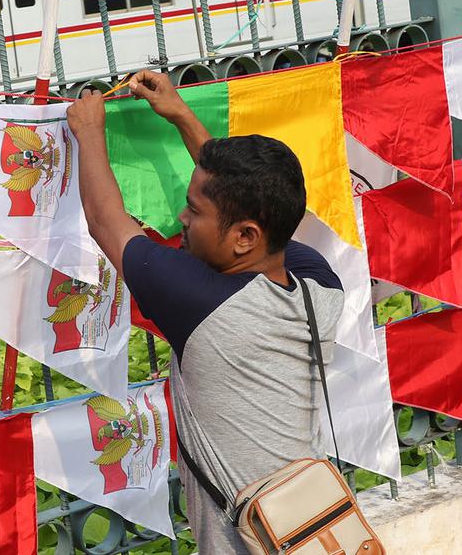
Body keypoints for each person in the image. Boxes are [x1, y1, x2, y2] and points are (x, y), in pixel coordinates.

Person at [66, 70, 345, 554]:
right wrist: (180, 115)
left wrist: (89, 131)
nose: (181, 219)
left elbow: (105, 220)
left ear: (244, 238)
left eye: (194, 211)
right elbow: (252, 197)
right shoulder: (317, 280)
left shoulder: (202, 304)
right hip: (311, 525)